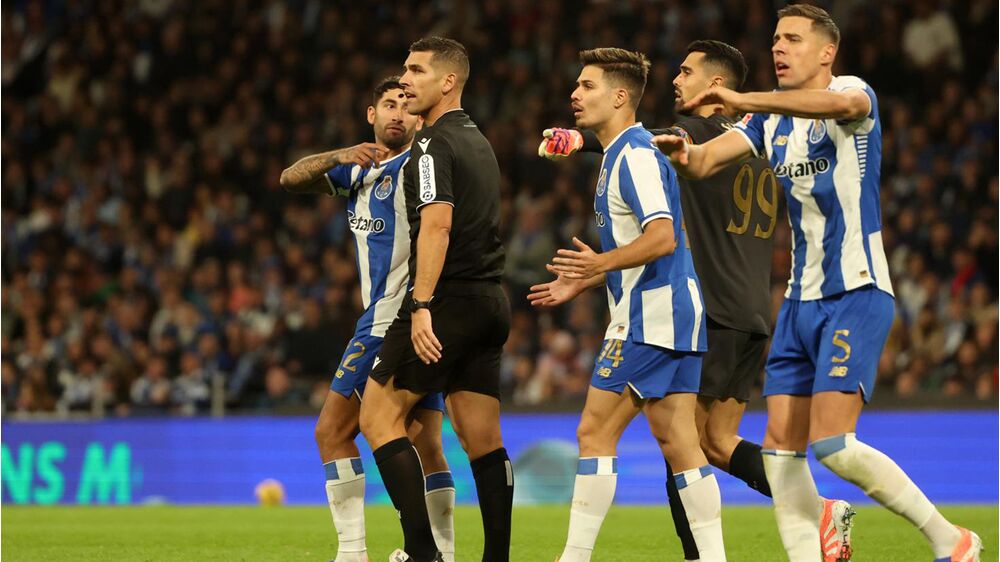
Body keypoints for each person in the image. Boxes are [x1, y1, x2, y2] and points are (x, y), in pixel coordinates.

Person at [651, 5, 982, 561]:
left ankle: (952, 540)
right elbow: (706, 161)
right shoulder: (768, 123)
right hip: (799, 303)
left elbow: (841, 104)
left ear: (826, 52)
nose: (780, 48)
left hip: (855, 289)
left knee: (833, 445)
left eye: (794, 40)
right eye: (777, 39)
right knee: (781, 456)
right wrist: (684, 155)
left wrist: (741, 99)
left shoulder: (852, 93)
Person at [538, 40, 854, 562]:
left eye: (685, 73)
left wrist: (581, 139)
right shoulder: (759, 144)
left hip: (701, 304)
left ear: (716, 86)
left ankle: (699, 550)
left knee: (651, 440)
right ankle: (807, 513)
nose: (675, 82)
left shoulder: (697, 136)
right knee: (707, 443)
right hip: (750, 310)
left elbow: (652, 143)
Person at [531, 47, 726, 562]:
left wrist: (600, 266)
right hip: (673, 312)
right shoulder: (626, 153)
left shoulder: (634, 155)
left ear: (620, 97)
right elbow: (662, 243)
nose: (574, 94)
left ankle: (573, 558)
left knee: (594, 431)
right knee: (680, 444)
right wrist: (594, 278)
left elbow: (662, 237)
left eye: (587, 86)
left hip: (650, 317)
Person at [280, 77, 456, 562]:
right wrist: (340, 155)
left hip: (390, 320)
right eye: (388, 105)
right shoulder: (359, 171)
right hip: (420, 321)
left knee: (332, 433)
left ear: (419, 117)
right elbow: (289, 179)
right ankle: (442, 552)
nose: (397, 113)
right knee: (425, 442)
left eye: (405, 105)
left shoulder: (416, 168)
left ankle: (353, 552)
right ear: (370, 114)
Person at [357, 37, 512, 562]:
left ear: (448, 82)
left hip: (447, 301)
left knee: (377, 419)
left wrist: (421, 304)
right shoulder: (480, 141)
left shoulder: (432, 144)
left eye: (416, 70)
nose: (406, 80)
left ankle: (423, 554)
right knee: (481, 439)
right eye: (404, 69)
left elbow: (438, 224)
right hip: (491, 301)